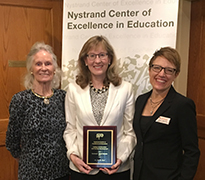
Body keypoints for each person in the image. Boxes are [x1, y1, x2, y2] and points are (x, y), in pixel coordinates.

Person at [63, 35, 137, 180]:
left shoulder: (125, 89)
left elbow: (130, 131)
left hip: (116, 169)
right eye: (92, 55)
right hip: (82, 168)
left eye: (102, 55)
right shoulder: (73, 89)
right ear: (85, 60)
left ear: (109, 59)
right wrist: (73, 155)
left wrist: (120, 158)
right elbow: (70, 128)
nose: (97, 60)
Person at [133, 47, 200, 180]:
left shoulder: (182, 105)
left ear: (176, 74)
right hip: (140, 174)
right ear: (149, 69)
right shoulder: (140, 100)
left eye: (169, 70)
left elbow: (192, 151)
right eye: (157, 68)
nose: (162, 74)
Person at [6, 42, 70, 180]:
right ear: (31, 69)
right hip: (31, 174)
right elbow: (12, 141)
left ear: (54, 69)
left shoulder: (63, 98)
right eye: (38, 64)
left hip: (61, 173)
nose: (44, 68)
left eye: (48, 63)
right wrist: (29, 162)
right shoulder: (20, 100)